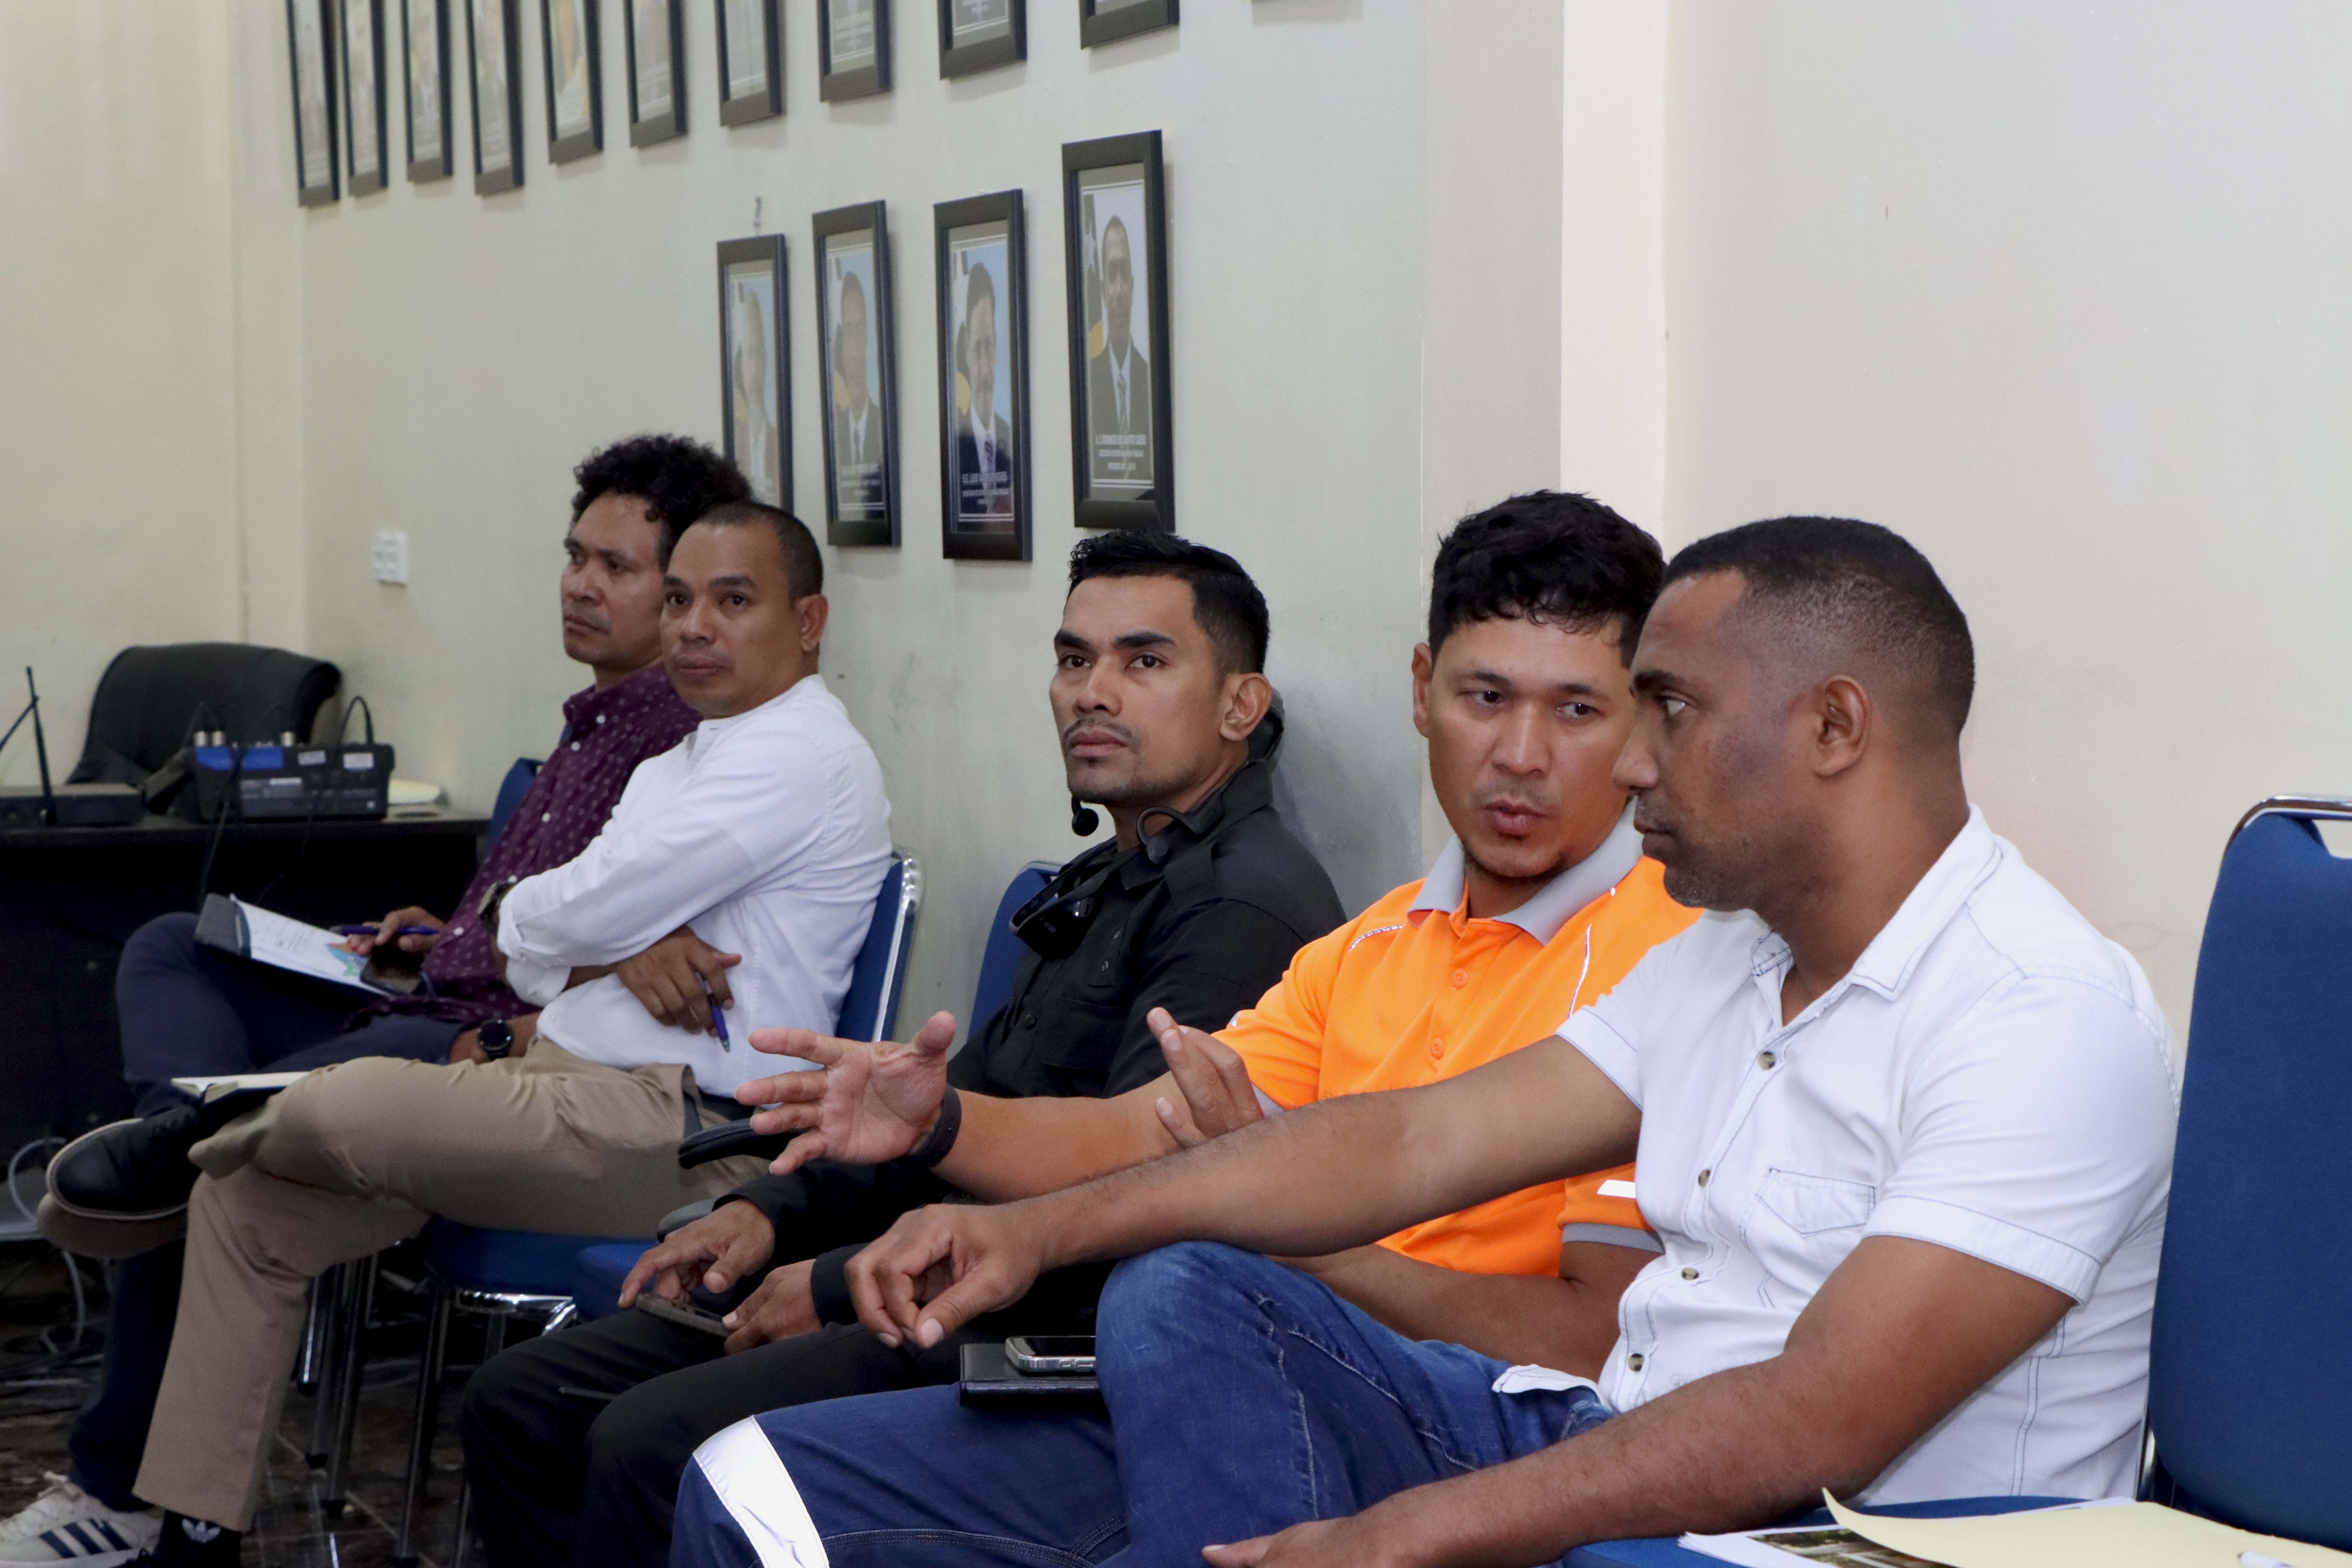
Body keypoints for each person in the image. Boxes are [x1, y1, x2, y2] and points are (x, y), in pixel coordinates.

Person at [674, 517, 2182, 1568]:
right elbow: (1413, 1136)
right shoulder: (1728, 956)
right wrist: (1031, 1231)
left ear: (1834, 727)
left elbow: (1815, 1418)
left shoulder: (2038, 1014)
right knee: (1124, 1307)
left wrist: (1402, 1531)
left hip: (1801, 1535)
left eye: (1660, 707)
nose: (1625, 761)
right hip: (1596, 1443)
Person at [457, 530, 1343, 1568]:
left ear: (1240, 704)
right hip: (926, 1270)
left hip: (1039, 1325)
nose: (1092, 692)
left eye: (1143, 661)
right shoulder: (1115, 871)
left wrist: (831, 1284)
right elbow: (947, 1111)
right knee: (520, 1400)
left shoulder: (1237, 905)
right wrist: (767, 1213)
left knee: (648, 1444)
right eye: (1073, 659)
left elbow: (1130, 1194)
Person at [80, 502, 892, 1568]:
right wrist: (557, 925)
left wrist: (549, 920)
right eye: (681, 599)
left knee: (353, 1100)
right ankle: (195, 1541)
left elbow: (569, 911)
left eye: (732, 600)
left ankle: (202, 1124)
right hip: (567, 1083)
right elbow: (531, 945)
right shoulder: (679, 762)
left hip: (687, 1129)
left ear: (810, 620)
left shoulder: (800, 754)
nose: (695, 625)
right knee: (251, 1201)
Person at [1085, 215, 1152, 490]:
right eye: (1112, 275)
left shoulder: (1150, 380)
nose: (1119, 288)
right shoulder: (1089, 385)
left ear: (1134, 286)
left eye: (1125, 274)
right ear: (1103, 290)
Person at [952, 262, 1013, 523]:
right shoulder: (956, 449)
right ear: (966, 353)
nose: (985, 368)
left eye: (989, 347)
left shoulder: (1012, 440)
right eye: (978, 350)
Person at [830, 272, 885, 514]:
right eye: (847, 334)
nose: (853, 352)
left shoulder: (882, 425)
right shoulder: (834, 435)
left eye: (859, 332)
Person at [729, 289, 781, 505]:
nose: (755, 367)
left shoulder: (777, 438)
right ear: (739, 364)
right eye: (749, 354)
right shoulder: (733, 442)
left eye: (759, 353)